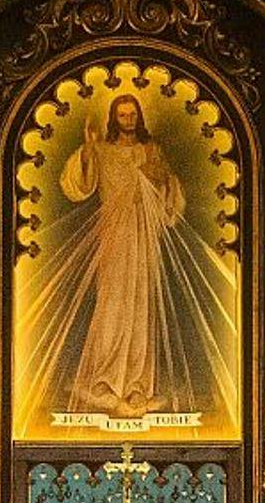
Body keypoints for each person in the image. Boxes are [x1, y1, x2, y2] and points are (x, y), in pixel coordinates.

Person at [58, 89, 186, 419]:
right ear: (114, 119)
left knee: (141, 307)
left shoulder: (151, 150)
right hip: (114, 235)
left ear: (138, 116)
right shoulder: (101, 150)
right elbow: (80, 185)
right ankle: (104, 380)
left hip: (143, 235)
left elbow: (168, 190)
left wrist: (159, 177)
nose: (128, 120)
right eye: (122, 115)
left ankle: (137, 384)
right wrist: (88, 148)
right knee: (112, 307)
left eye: (132, 114)